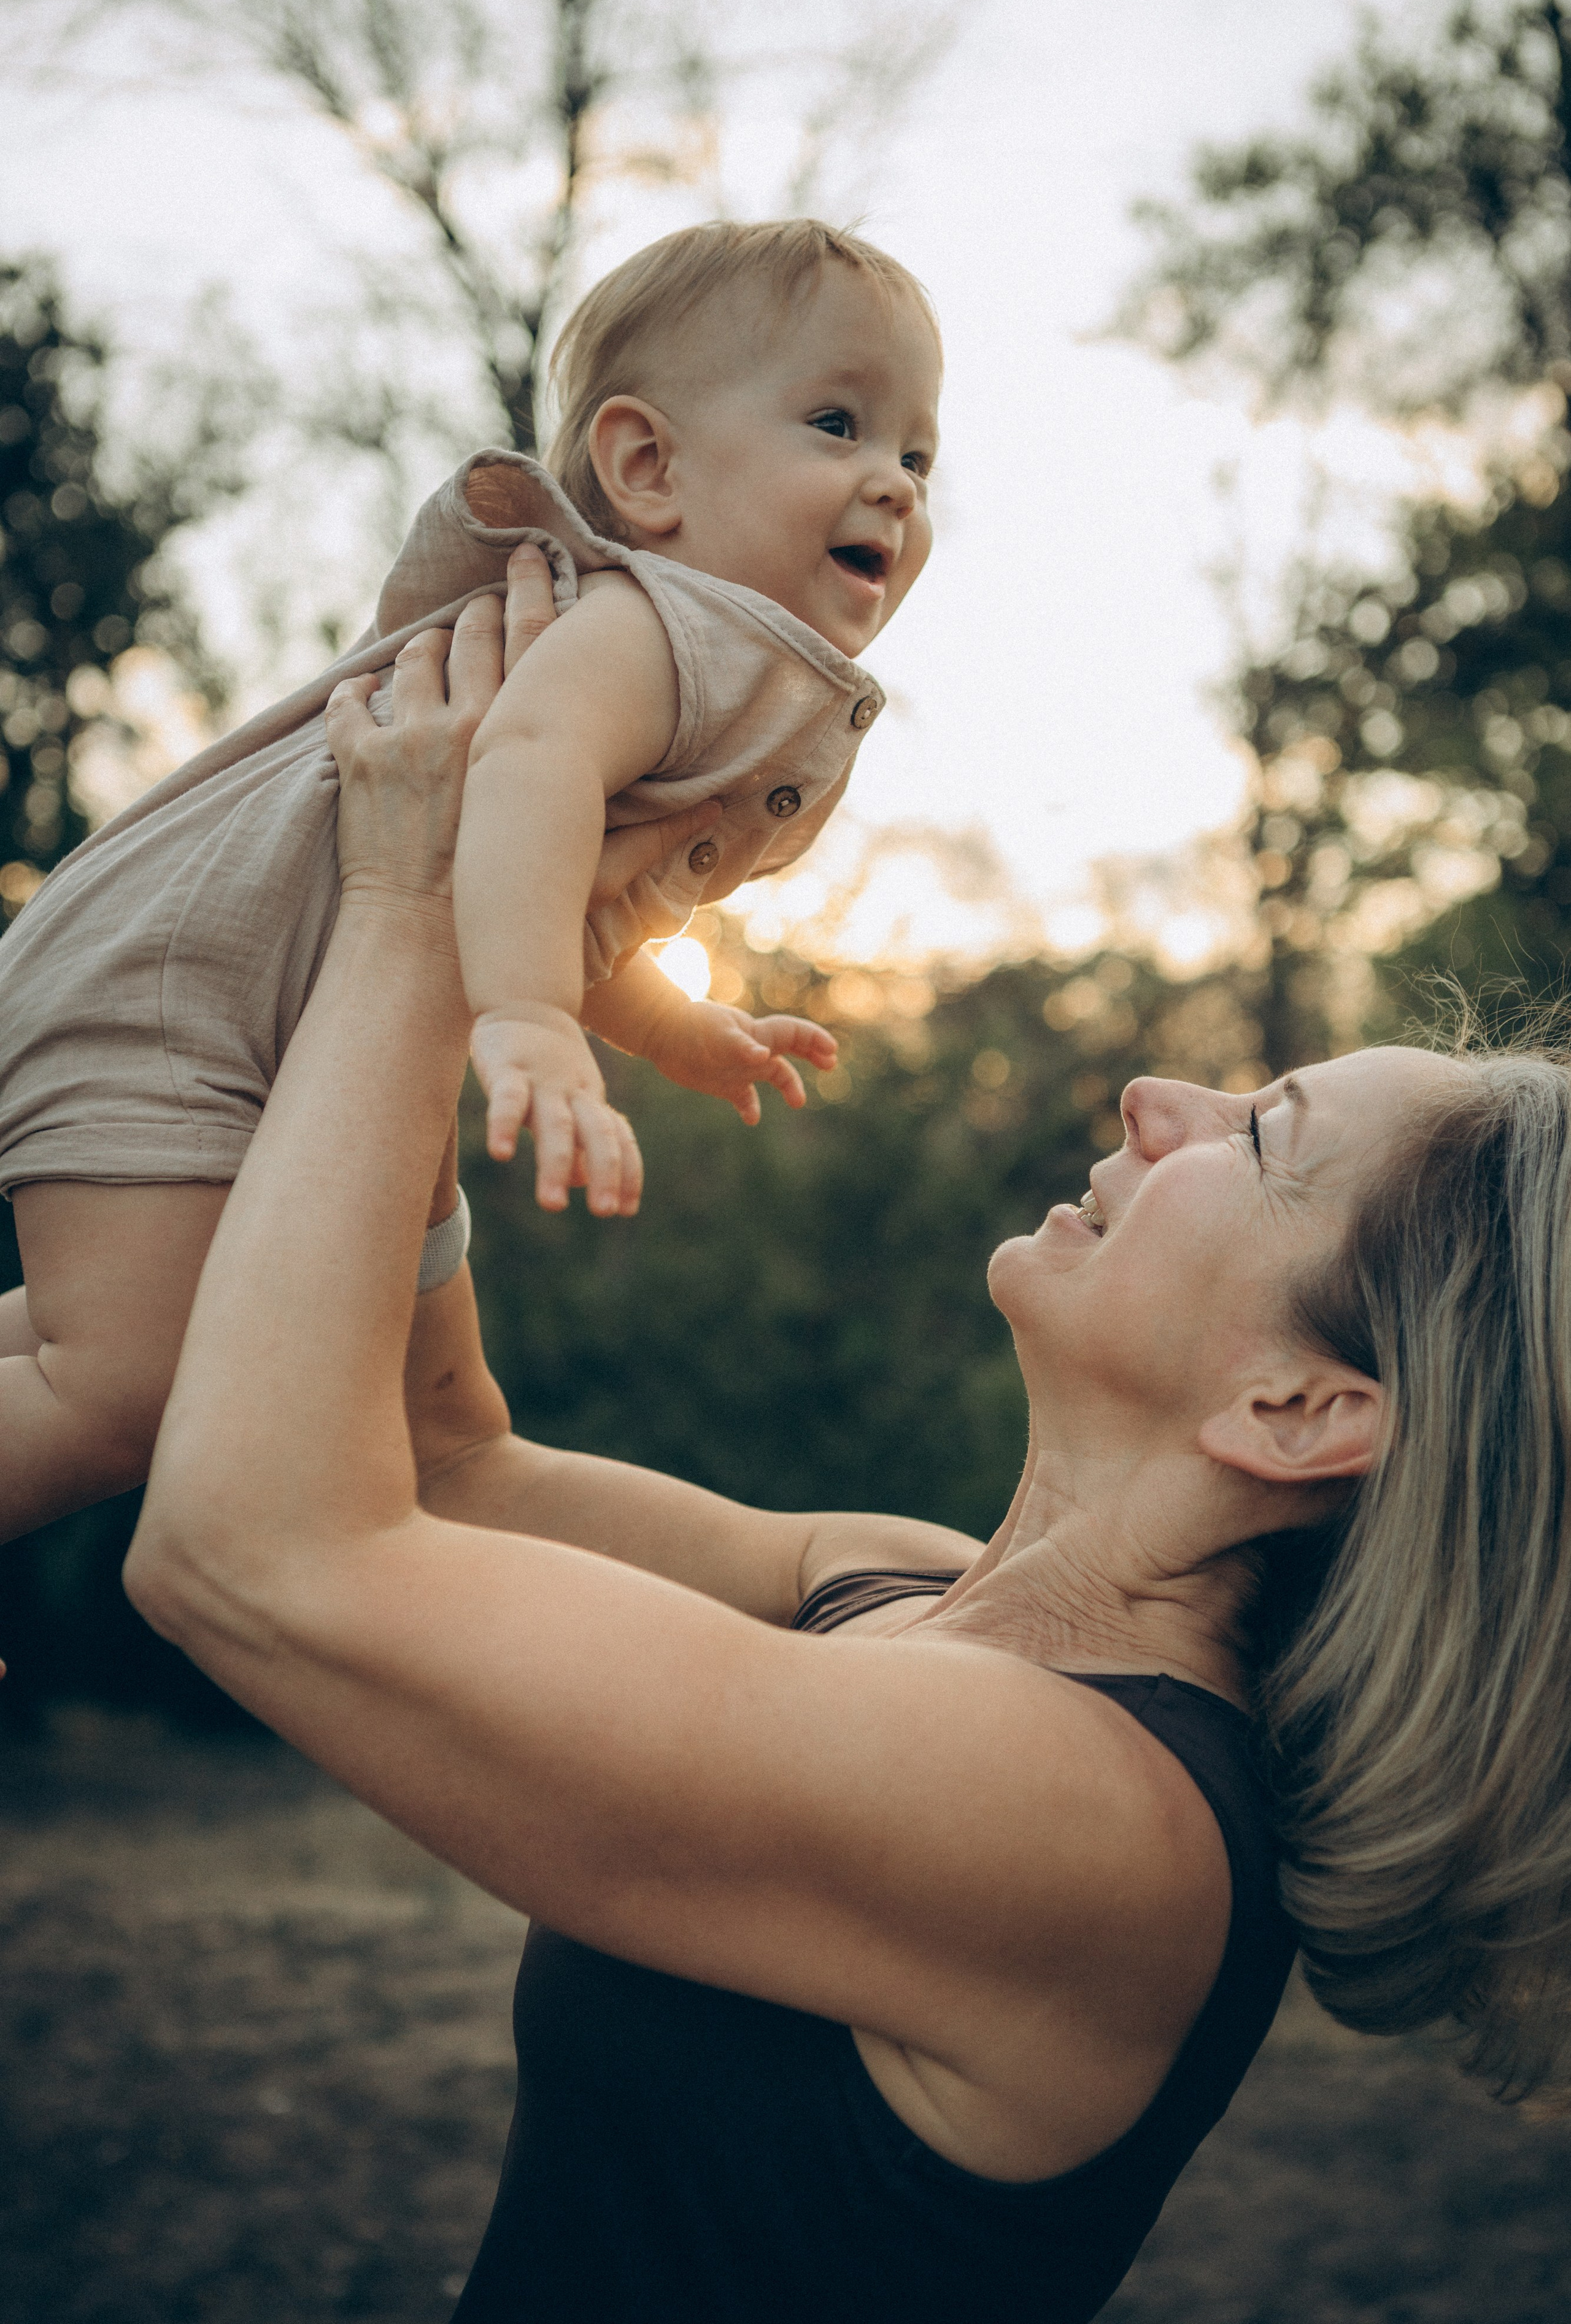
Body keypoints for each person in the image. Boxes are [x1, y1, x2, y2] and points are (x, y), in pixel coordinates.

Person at [122, 591, 1571, 2320]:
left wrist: (402, 904)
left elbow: (258, 1553)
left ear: (1304, 1410)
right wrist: (483, 957)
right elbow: (439, 1464)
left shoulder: (1096, 1829)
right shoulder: (909, 1584)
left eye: (1261, 1137)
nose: (1153, 1105)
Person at [0, 216, 940, 1542]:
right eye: (837, 425)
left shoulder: (694, 654)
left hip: (278, 1014)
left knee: (138, 1318)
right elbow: (525, 777)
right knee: (130, 1382)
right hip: (180, 992)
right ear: (645, 464)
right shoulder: (657, 629)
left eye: (916, 451)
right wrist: (529, 1020)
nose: (896, 484)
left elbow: (546, 887)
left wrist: (666, 1023)